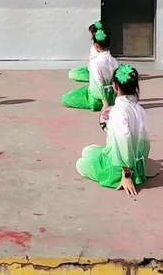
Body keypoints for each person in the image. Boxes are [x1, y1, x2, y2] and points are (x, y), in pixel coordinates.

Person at [76, 64, 155, 196]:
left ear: (116, 86)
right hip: (134, 159)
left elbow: (123, 139)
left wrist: (127, 174)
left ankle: (122, 173)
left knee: (80, 164)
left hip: (120, 168)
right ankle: (138, 167)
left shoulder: (119, 110)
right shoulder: (139, 109)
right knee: (88, 150)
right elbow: (145, 140)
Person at [62, 28, 118, 111]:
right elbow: (115, 82)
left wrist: (105, 104)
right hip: (110, 96)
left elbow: (98, 83)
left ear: (96, 46)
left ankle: (102, 102)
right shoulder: (114, 61)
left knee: (65, 98)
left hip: (96, 100)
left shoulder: (95, 63)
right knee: (75, 92)